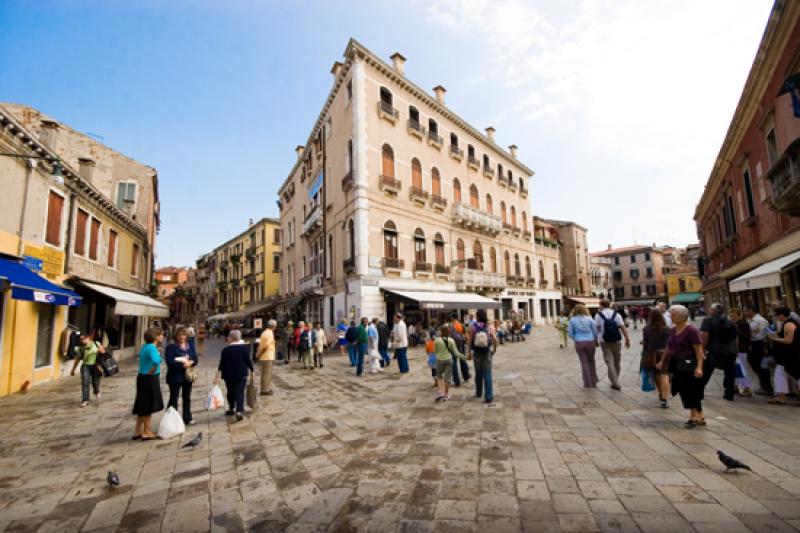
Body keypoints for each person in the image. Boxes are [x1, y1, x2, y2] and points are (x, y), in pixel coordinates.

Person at [667, 305, 706, 428]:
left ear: (681, 316)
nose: (671, 317)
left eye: (673, 315)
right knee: (682, 389)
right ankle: (699, 414)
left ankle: (694, 415)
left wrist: (699, 367)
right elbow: (669, 347)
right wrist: (662, 361)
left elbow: (699, 351)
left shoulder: (691, 330)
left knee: (691, 389)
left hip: (690, 364)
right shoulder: (673, 330)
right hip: (677, 364)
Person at [699, 303, 738, 401]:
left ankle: (699, 392)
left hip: (714, 350)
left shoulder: (707, 320)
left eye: (710, 309)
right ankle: (729, 393)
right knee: (729, 372)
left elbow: (705, 335)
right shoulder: (729, 321)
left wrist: (702, 348)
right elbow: (735, 337)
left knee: (706, 370)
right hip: (729, 350)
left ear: (713, 311)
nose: (709, 310)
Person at [132, 328, 165, 440]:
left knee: (142, 404)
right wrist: (155, 367)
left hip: (142, 377)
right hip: (149, 378)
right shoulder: (151, 347)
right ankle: (147, 431)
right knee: (148, 405)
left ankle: (137, 431)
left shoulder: (145, 346)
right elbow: (157, 360)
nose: (162, 337)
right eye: (161, 335)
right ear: (156, 337)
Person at [215, 330, 252, 422]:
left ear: (231, 338)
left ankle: (231, 408)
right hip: (241, 374)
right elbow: (248, 361)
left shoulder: (225, 350)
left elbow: (222, 363)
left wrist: (218, 374)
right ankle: (239, 410)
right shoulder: (244, 348)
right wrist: (252, 370)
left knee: (230, 392)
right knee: (240, 392)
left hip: (229, 375)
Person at [594, 299, 631, 391]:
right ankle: (616, 379)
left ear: (601, 305)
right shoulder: (617, 314)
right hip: (616, 340)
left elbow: (596, 329)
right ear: (609, 305)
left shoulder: (598, 315)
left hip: (604, 341)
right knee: (617, 361)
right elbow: (622, 327)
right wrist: (627, 339)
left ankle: (615, 382)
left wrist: (596, 340)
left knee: (609, 361)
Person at [165, 327, 198, 425]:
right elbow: (169, 362)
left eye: (183, 335)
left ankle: (187, 418)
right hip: (175, 376)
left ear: (186, 336)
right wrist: (183, 365)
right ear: (176, 336)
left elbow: (195, 358)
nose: (181, 337)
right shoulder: (171, 347)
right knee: (173, 398)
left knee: (187, 397)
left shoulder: (190, 345)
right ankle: (171, 420)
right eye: (179, 335)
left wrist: (191, 363)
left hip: (187, 376)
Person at [766, 306, 799, 405]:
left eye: (776, 315)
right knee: (780, 374)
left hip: (792, 354)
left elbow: (788, 340)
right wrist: (773, 334)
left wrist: (774, 339)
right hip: (787, 355)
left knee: (796, 374)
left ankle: (781, 397)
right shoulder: (787, 323)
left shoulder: (789, 324)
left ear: (781, 315)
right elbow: (783, 336)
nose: (775, 317)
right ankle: (781, 397)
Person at [467, 309, 497, 403]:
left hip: (477, 352)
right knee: (487, 373)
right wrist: (494, 349)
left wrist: (468, 352)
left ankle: (479, 392)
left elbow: (469, 340)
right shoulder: (489, 326)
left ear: (477, 316)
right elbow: (495, 339)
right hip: (487, 352)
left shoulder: (473, 327)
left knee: (478, 373)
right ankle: (488, 396)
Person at [643, 308, 670, 408]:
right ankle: (665, 399)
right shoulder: (666, 328)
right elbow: (669, 343)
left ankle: (660, 394)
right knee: (665, 376)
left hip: (652, 354)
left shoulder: (646, 329)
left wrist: (645, 355)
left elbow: (645, 344)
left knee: (657, 376)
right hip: (664, 353)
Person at [568, 304, 599, 388]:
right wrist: (596, 341)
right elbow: (595, 331)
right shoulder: (590, 319)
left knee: (584, 362)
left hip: (579, 341)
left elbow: (570, 333)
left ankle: (587, 382)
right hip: (590, 341)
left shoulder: (572, 320)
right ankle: (594, 381)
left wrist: (576, 338)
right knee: (591, 361)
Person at [71, 333, 106, 407]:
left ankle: (96, 391)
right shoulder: (81, 348)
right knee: (85, 382)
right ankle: (85, 400)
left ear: (88, 338)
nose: (82, 340)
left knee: (95, 382)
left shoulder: (96, 344)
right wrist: (73, 369)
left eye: (83, 339)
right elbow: (77, 359)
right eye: (80, 339)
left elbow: (103, 352)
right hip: (85, 366)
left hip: (95, 366)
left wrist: (99, 351)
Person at [745, 306, 772, 395]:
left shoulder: (761, 320)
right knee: (754, 364)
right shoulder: (749, 321)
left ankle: (767, 387)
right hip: (753, 345)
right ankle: (762, 384)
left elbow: (764, 334)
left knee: (763, 366)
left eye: (746, 311)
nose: (744, 313)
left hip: (760, 344)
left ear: (751, 311)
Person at [434, 325, 467, 402]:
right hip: (448, 360)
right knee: (447, 378)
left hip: (439, 360)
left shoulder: (437, 340)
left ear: (441, 331)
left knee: (439, 376)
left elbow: (435, 351)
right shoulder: (451, 340)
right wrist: (465, 357)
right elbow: (456, 353)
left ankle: (440, 393)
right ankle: (446, 395)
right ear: (449, 332)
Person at [729, 308, 752, 397]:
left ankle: (747, 388)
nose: (732, 318)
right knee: (737, 369)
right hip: (736, 350)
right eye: (731, 316)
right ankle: (737, 386)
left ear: (738, 315)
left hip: (741, 349)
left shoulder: (742, 324)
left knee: (742, 369)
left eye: (733, 316)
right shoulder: (736, 324)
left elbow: (746, 336)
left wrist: (735, 328)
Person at [257, 320, 276, 395]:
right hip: (267, 356)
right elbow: (266, 346)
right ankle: (264, 389)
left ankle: (265, 388)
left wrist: (259, 353)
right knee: (266, 373)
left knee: (265, 373)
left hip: (266, 355)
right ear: (274, 326)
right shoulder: (269, 333)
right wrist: (260, 353)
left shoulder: (265, 332)